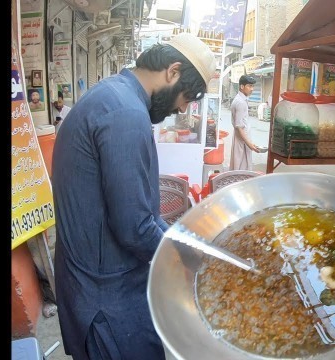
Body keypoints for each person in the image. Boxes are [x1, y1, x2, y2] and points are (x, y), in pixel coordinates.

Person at [51, 32, 216, 359]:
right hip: (108, 299)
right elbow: (135, 227)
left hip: (98, 284)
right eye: (188, 95)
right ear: (173, 71)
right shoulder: (125, 113)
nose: (182, 107)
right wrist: (194, 259)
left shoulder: (113, 95)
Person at [230, 74, 260, 170]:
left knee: (239, 166)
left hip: (242, 139)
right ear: (242, 87)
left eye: (253, 86)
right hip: (241, 140)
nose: (252, 89)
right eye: (249, 86)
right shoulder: (240, 102)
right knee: (240, 168)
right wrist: (249, 144)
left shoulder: (241, 100)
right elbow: (239, 126)